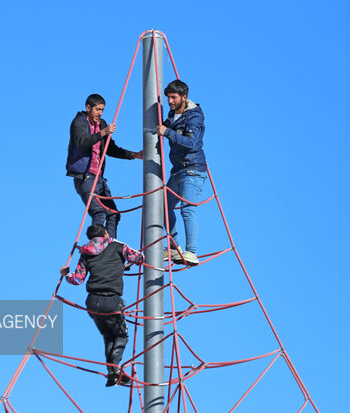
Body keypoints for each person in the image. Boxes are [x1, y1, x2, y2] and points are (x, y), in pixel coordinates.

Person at [60, 224, 144, 387]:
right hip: (111, 299)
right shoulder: (118, 247)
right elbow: (139, 258)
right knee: (120, 335)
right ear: (105, 233)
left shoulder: (86, 252)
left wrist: (66, 274)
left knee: (108, 336)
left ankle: (113, 372)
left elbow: (77, 279)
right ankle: (114, 369)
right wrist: (124, 264)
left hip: (92, 301)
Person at [66, 94, 143, 238]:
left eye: (102, 110)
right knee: (98, 212)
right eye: (97, 109)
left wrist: (134, 155)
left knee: (113, 214)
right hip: (85, 176)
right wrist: (103, 132)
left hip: (99, 178)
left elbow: (110, 149)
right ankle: (98, 245)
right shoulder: (79, 122)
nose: (100, 113)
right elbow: (82, 141)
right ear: (88, 108)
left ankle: (110, 247)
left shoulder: (102, 123)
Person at [156, 80, 207, 266]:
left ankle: (191, 251)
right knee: (162, 206)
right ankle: (173, 247)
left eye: (173, 97)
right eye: (168, 97)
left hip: (193, 169)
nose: (170, 101)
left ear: (183, 98)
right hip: (178, 170)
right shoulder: (172, 115)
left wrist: (167, 132)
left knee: (187, 208)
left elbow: (190, 142)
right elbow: (164, 128)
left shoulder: (193, 117)